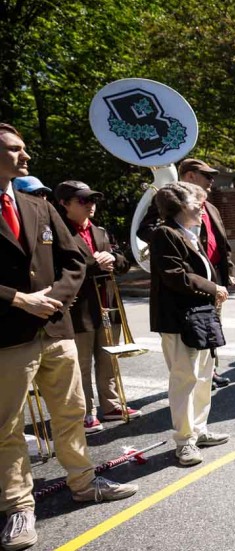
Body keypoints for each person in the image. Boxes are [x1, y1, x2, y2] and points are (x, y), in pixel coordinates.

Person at [0, 123, 137, 551]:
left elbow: (74, 259)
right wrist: (18, 298)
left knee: (71, 413)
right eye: (16, 149)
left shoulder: (36, 206)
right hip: (7, 334)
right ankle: (19, 508)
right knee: (6, 428)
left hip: (55, 327)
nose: (26, 157)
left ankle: (83, 482)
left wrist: (53, 298)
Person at [149, 181, 230, 466]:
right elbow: (175, 274)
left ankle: (199, 429)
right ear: (180, 206)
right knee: (185, 379)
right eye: (196, 202)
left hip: (199, 315)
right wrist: (213, 288)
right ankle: (184, 441)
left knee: (204, 375)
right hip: (179, 319)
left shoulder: (188, 233)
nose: (201, 206)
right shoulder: (164, 234)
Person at [139, 158, 235, 389]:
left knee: (211, 325)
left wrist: (227, 270)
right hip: (189, 279)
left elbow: (221, 241)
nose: (212, 181)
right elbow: (146, 229)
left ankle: (209, 371)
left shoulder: (208, 205)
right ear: (190, 176)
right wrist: (174, 241)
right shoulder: (169, 199)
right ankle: (201, 377)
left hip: (212, 277)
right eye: (207, 176)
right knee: (191, 336)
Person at [55, 180, 140, 434]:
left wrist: (114, 258)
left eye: (92, 199)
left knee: (108, 361)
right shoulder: (58, 234)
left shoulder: (100, 232)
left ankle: (111, 405)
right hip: (79, 310)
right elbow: (59, 271)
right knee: (80, 365)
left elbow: (124, 262)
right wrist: (94, 264)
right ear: (64, 203)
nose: (90, 205)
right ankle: (85, 412)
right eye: (83, 200)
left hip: (107, 306)